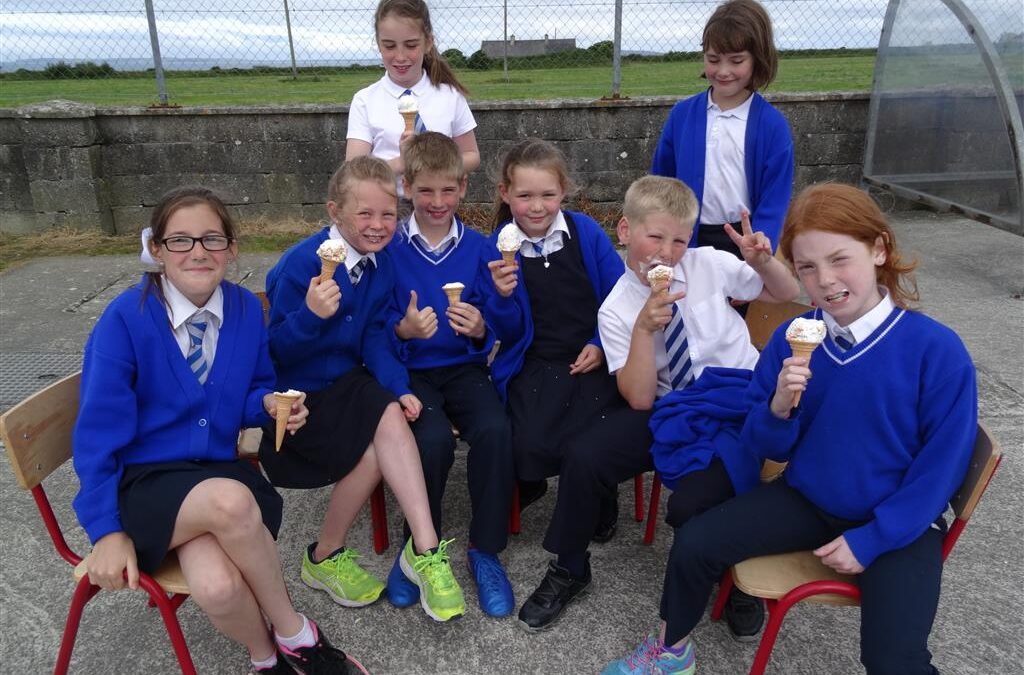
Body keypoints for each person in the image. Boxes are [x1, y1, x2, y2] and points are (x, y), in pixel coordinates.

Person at [604, 183, 978, 675]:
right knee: (695, 543)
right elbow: (765, 445)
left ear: (879, 249)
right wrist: (778, 407)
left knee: (894, 660)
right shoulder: (793, 339)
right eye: (807, 268)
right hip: (808, 498)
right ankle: (671, 651)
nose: (825, 281)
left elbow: (942, 469)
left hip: (901, 522)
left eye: (839, 260)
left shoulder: (936, 350)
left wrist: (873, 538)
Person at [72, 186, 363, 674]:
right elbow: (97, 435)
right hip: (144, 483)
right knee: (230, 503)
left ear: (231, 248)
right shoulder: (126, 319)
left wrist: (268, 405)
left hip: (212, 473)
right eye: (180, 240)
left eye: (212, 238)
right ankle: (299, 636)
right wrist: (106, 531)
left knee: (218, 587)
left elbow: (253, 388)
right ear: (157, 250)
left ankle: (267, 661)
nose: (198, 251)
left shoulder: (245, 309)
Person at [260, 156, 466, 623]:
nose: (378, 225)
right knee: (374, 447)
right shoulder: (300, 264)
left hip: (349, 383)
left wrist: (399, 386)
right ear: (335, 211)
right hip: (298, 398)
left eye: (388, 214)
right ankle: (326, 556)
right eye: (365, 214)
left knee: (389, 410)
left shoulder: (380, 264)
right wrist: (310, 315)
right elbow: (274, 352)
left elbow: (374, 334)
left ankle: (423, 549)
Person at [597, 175, 799, 641]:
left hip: (747, 395)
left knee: (692, 504)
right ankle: (732, 565)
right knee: (691, 500)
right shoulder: (615, 308)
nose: (667, 253)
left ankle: (736, 577)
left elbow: (783, 292)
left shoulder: (708, 263)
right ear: (625, 230)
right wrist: (643, 329)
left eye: (679, 241)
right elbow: (640, 399)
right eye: (655, 237)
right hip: (688, 412)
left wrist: (764, 261)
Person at [484, 138, 649, 631]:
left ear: (564, 193)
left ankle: (598, 498)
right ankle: (571, 491)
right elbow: (504, 330)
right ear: (505, 194)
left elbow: (619, 297)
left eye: (547, 195)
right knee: (528, 442)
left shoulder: (585, 233)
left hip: (593, 357)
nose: (537, 207)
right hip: (536, 361)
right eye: (525, 196)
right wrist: (501, 298)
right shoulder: (499, 246)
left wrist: (600, 343)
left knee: (590, 430)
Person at [383, 131, 517, 617]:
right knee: (432, 438)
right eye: (425, 190)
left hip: (463, 367)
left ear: (463, 187)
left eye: (447, 190)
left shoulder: (481, 248)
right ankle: (421, 549)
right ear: (406, 188)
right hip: (411, 372)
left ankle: (485, 550)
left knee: (496, 429)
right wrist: (403, 330)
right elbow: (375, 327)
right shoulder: (389, 249)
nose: (437, 201)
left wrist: (481, 329)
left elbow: (502, 321)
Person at [651, 0, 793, 258]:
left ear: (758, 59)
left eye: (736, 61)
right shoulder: (681, 115)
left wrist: (761, 243)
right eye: (713, 59)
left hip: (745, 242)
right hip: (686, 239)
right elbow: (661, 182)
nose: (723, 71)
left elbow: (775, 199)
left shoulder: (773, 126)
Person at [346, 0, 480, 191]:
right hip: (385, 204)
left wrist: (435, 165)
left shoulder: (451, 96)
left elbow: (472, 155)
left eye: (411, 45)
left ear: (428, 42)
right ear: (378, 44)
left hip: (438, 202)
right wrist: (402, 163)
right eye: (389, 46)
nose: (400, 57)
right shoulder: (365, 101)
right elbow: (354, 171)